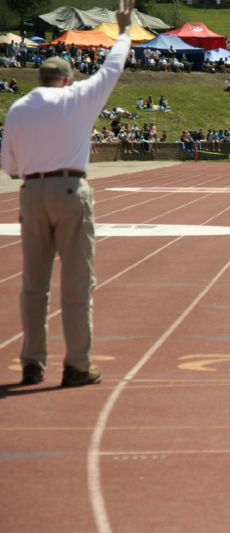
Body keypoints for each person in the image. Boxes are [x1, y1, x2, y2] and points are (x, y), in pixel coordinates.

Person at [0, 0, 137, 387]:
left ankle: (31, 361)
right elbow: (113, 67)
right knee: (77, 282)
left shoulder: (18, 108)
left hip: (30, 192)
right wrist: (123, 29)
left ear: (40, 78)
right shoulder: (78, 98)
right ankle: (77, 363)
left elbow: (8, 165)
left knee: (33, 284)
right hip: (69, 188)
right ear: (66, 80)